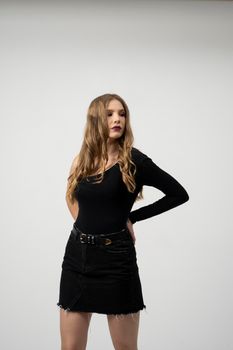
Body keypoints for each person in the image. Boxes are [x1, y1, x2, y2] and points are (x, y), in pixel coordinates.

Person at [56, 93, 189, 350]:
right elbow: (70, 196)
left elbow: (178, 194)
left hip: (116, 261)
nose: (118, 119)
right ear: (96, 119)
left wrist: (131, 218)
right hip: (77, 259)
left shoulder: (134, 161)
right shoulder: (83, 159)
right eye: (110, 114)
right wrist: (86, 228)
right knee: (70, 348)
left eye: (122, 114)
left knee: (125, 348)